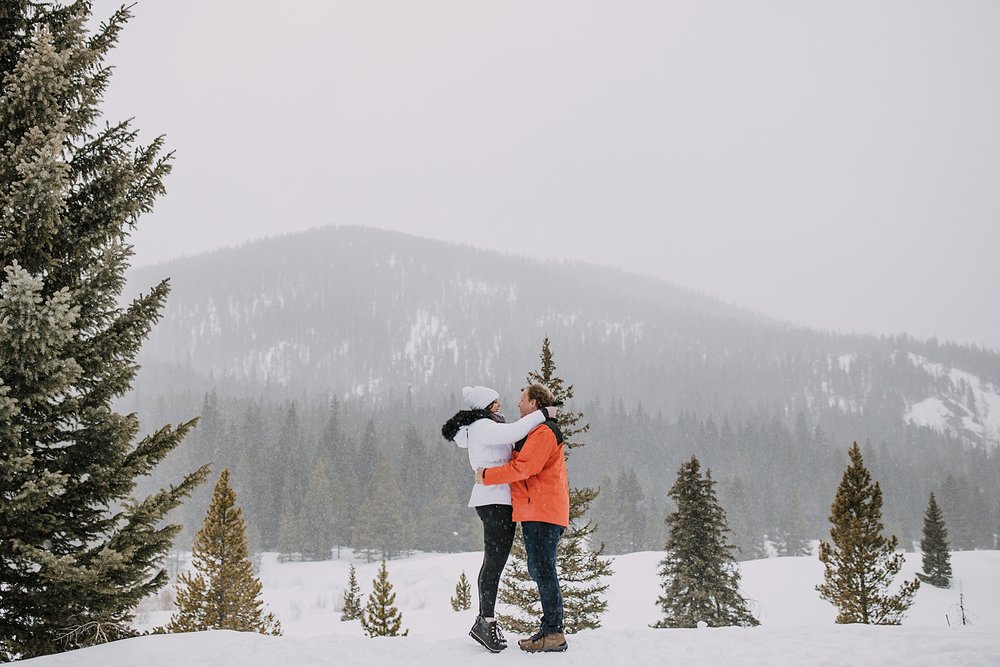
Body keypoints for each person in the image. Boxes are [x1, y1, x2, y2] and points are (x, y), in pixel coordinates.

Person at [441, 385, 557, 653]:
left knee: (495, 561)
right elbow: (515, 431)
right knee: (494, 561)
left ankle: (486, 620)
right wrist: (543, 413)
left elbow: (514, 434)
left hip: (496, 499)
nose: (501, 403)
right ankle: (485, 621)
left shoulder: (486, 425)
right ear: (486, 404)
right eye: (495, 400)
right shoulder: (483, 425)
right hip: (494, 500)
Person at [475, 383, 569, 653]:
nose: (517, 405)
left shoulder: (543, 432)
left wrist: (486, 476)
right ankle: (551, 629)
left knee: (543, 569)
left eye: (522, 400)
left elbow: (524, 467)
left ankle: (553, 632)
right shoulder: (537, 431)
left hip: (543, 510)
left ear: (534, 404)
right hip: (537, 509)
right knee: (540, 568)